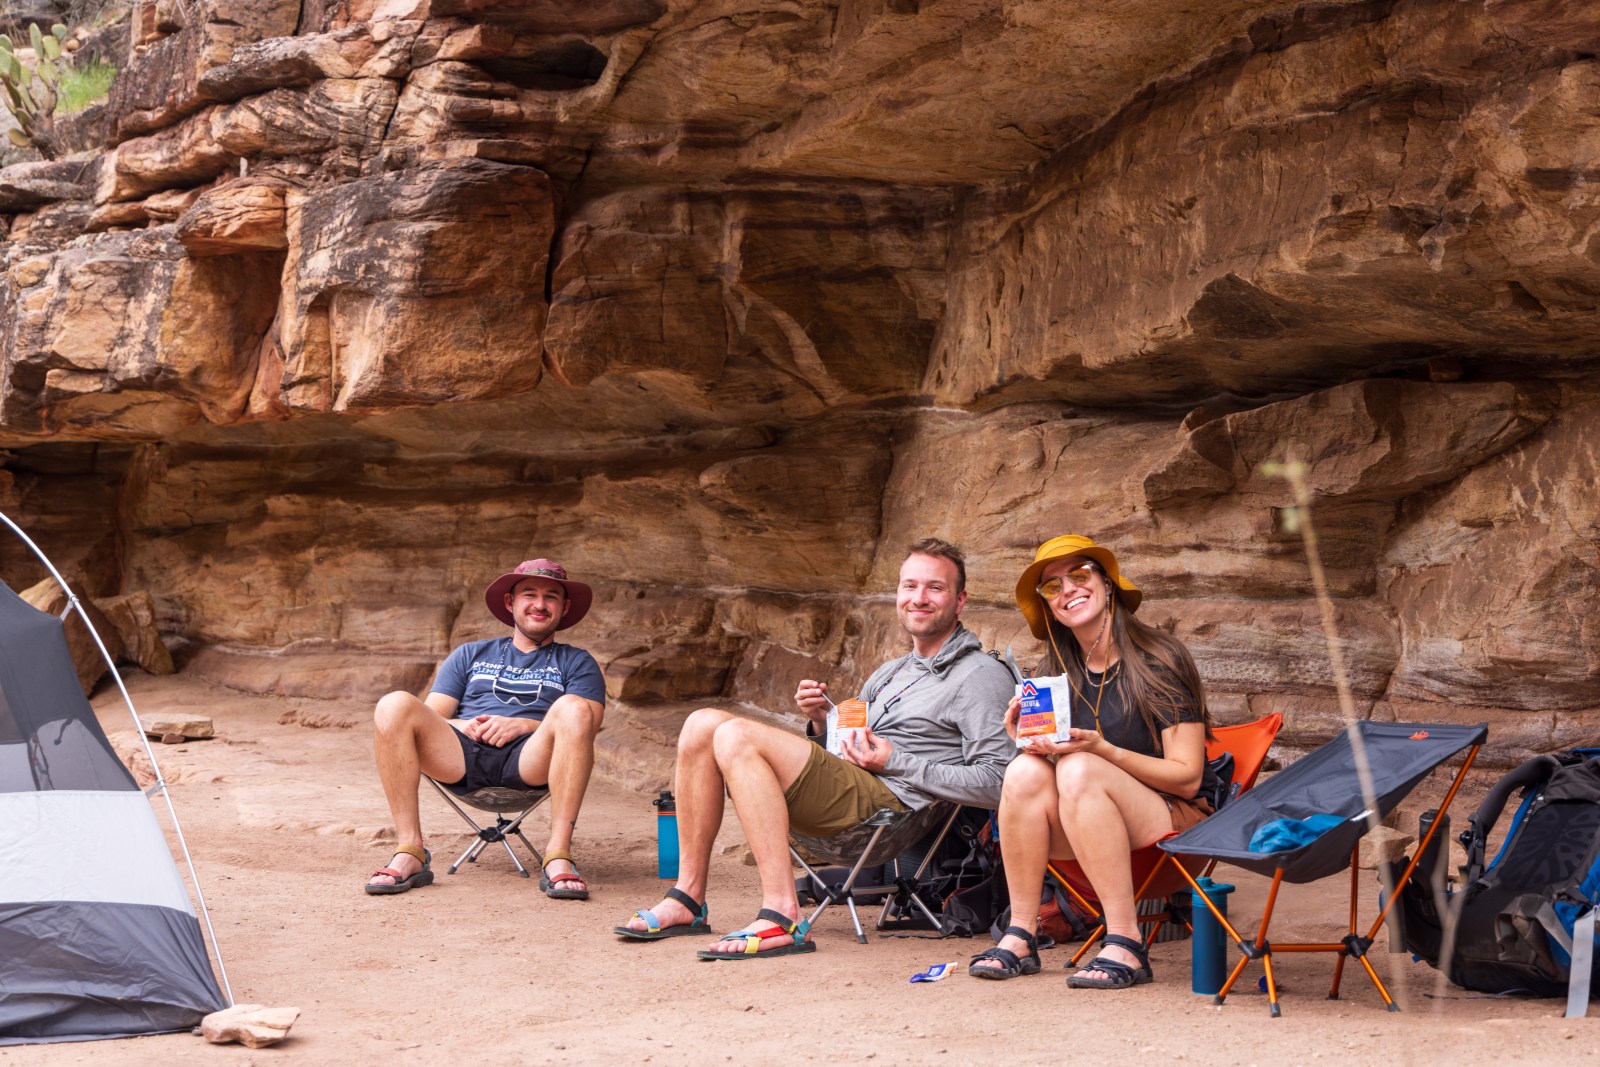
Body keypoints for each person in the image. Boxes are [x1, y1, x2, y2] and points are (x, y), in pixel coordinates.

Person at [613, 537, 1015, 958]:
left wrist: (898, 761)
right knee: (700, 724)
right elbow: (848, 755)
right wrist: (825, 724)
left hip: (888, 817)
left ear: (960, 599)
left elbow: (1000, 782)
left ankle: (782, 915)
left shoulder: (979, 676)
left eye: (935, 588)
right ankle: (688, 897)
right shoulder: (891, 672)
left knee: (735, 735)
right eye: (909, 586)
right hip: (854, 795)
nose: (919, 598)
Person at [968, 534, 1215, 988]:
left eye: (1079, 575)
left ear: (1107, 584)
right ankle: (1022, 934)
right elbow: (1049, 771)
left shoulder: (1159, 660)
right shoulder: (1053, 675)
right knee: (1023, 770)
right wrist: (1024, 739)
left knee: (1080, 767)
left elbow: (1187, 779)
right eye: (1052, 586)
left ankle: (1126, 941)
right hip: (1085, 826)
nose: (1068, 590)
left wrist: (1100, 749)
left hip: (1170, 826)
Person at [364, 559, 606, 900]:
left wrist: (524, 724)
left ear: (564, 608)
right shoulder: (471, 654)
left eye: (551, 597)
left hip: (531, 759)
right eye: (529, 594)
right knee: (393, 705)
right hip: (462, 756)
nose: (539, 604)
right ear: (510, 603)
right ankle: (410, 850)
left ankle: (558, 855)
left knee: (575, 708)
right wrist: (464, 725)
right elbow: (432, 715)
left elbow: (589, 724)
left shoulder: (576, 661)